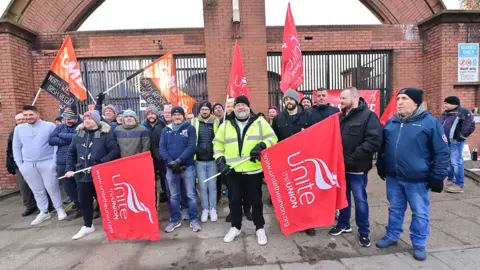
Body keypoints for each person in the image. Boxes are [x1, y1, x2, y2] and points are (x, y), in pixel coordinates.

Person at [376, 88, 449, 261]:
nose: (399, 102)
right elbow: (384, 147)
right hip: (394, 177)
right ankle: (392, 236)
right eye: (399, 98)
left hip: (418, 179)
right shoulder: (392, 122)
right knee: (395, 208)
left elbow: (442, 152)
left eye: (404, 98)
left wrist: (438, 176)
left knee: (420, 212)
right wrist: (381, 164)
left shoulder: (430, 123)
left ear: (415, 102)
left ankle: (419, 243)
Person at [213, 95, 278, 246]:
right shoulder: (226, 124)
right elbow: (217, 144)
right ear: (234, 108)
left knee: (256, 202)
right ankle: (235, 227)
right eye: (238, 105)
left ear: (249, 107)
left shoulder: (260, 122)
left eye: (244, 105)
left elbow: (272, 138)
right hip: (232, 172)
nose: (241, 108)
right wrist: (220, 161)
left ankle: (259, 228)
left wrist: (261, 145)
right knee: (234, 201)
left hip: (253, 171)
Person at [328, 87, 382, 248]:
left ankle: (364, 231)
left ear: (355, 98)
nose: (341, 102)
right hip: (341, 168)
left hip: (357, 168)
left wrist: (352, 157)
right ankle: (344, 224)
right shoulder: (340, 117)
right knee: (343, 199)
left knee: (360, 200)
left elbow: (373, 141)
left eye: (343, 99)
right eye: (340, 99)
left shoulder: (368, 116)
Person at [65, 110, 120, 240]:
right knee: (84, 201)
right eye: (84, 119)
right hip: (82, 175)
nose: (86, 121)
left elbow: (115, 151)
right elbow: (71, 153)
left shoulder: (105, 134)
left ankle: (113, 224)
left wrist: (101, 162)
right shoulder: (78, 135)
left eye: (89, 119)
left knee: (106, 200)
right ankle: (88, 225)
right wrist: (69, 168)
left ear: (96, 120)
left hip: (101, 174)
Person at [272, 89, 316, 236]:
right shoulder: (278, 119)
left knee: (304, 191)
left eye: (291, 99)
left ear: (296, 100)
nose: (288, 102)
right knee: (289, 192)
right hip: (286, 161)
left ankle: (308, 223)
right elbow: (274, 140)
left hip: (304, 161)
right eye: (286, 100)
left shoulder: (308, 115)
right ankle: (292, 220)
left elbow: (315, 135)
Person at [13, 105, 67, 225]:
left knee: (52, 187)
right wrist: (20, 165)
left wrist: (54, 162)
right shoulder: (19, 129)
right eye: (25, 115)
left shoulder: (49, 126)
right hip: (28, 164)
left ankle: (59, 209)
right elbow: (16, 147)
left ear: (37, 114)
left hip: (47, 162)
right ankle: (43, 211)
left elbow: (55, 145)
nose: (28, 117)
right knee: (36, 189)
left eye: (31, 114)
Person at [160, 106, 201, 233]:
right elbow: (162, 148)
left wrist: (179, 161)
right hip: (171, 168)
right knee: (174, 196)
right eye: (174, 115)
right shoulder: (166, 130)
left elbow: (191, 147)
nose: (177, 117)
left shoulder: (190, 128)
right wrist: (169, 162)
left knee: (191, 195)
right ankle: (174, 220)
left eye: (179, 115)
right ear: (171, 116)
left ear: (183, 116)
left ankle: (193, 220)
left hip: (187, 167)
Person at [49, 108, 83, 221]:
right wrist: (68, 138)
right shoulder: (59, 127)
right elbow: (51, 140)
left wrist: (62, 135)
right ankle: (78, 206)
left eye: (71, 119)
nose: (68, 121)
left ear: (76, 118)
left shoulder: (82, 126)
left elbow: (78, 138)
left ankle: (85, 206)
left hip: (77, 160)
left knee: (81, 186)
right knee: (68, 187)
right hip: (62, 161)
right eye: (66, 118)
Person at [439, 96, 475, 193]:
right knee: (449, 162)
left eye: (447, 103)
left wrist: (460, 137)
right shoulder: (446, 113)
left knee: (456, 162)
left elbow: (470, 126)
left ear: (454, 104)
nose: (445, 105)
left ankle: (459, 185)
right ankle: (451, 180)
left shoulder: (463, 112)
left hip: (456, 142)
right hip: (446, 142)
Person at [192, 101, 220, 223]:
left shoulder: (216, 122)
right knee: (202, 186)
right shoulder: (193, 122)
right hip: (199, 160)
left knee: (212, 186)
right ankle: (205, 209)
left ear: (210, 111)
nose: (204, 111)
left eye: (207, 109)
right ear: (199, 110)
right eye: (202, 109)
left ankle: (213, 208)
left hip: (212, 160)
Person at [7, 113, 37, 217]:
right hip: (20, 164)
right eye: (18, 120)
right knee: (24, 186)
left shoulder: (34, 130)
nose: (21, 121)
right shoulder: (13, 133)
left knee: (39, 184)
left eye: (22, 119)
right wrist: (10, 163)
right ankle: (30, 206)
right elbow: (10, 150)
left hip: (34, 161)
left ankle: (47, 204)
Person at [142, 106, 168, 203]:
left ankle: (166, 195)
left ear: (156, 114)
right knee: (151, 180)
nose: (150, 116)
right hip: (148, 157)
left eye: (152, 114)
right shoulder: (143, 126)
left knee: (164, 177)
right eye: (148, 114)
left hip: (161, 156)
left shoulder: (162, 125)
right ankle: (152, 200)